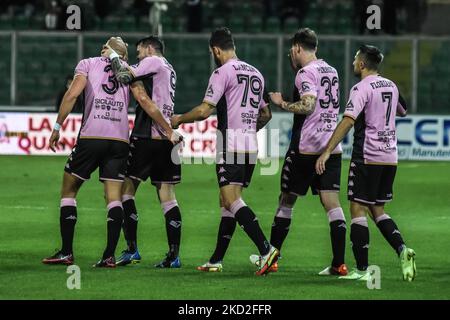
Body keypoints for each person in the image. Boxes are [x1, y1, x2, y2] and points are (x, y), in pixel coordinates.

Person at [42, 37, 181, 268]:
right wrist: (168, 129)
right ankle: (108, 255)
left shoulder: (87, 63)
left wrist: (57, 126)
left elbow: (72, 95)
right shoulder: (128, 73)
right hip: (119, 141)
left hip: (92, 137)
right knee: (114, 196)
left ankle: (67, 252)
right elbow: (145, 101)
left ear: (103, 50)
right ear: (123, 56)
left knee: (69, 189)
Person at [170, 28, 277, 276]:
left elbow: (204, 111)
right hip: (250, 145)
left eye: (212, 53)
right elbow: (266, 114)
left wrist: (178, 119)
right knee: (227, 202)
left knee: (231, 200)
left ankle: (266, 249)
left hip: (229, 144)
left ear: (216, 50)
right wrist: (249, 129)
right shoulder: (256, 73)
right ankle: (216, 259)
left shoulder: (222, 72)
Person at [250, 28, 348, 276]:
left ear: (296, 48)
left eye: (291, 51)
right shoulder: (331, 71)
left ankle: (272, 257)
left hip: (306, 147)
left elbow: (308, 104)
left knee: (286, 200)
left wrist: (281, 102)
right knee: (332, 204)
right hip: (331, 147)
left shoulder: (306, 73)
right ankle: (339, 264)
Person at [315, 44, 416, 281]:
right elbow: (402, 110)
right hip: (390, 156)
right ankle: (403, 249)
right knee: (377, 209)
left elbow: (348, 120)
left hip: (367, 155)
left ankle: (361, 270)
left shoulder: (361, 88)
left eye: (354, 60)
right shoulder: (390, 84)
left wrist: (327, 150)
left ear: (361, 64)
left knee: (357, 208)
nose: (352, 64)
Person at [104, 35, 184, 268]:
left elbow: (125, 75)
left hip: (148, 136)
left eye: (139, 52)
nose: (138, 56)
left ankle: (131, 249)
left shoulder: (154, 62)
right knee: (168, 198)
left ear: (149, 49)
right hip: (168, 140)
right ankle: (174, 255)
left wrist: (114, 55)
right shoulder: (170, 68)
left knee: (124, 192)